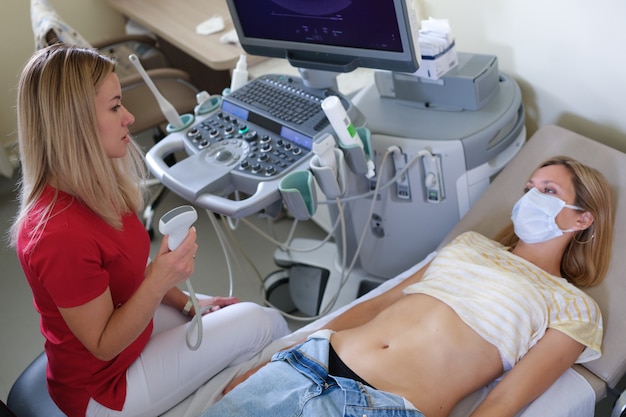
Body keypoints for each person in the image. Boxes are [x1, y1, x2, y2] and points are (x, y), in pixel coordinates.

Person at [199, 155, 614, 417]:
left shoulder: (573, 306)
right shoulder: (470, 245)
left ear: (583, 219)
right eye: (528, 188)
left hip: (383, 406)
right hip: (304, 366)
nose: (529, 198)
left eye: (548, 191)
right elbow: (386, 299)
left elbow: (506, 400)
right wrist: (278, 355)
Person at [9, 44, 289, 417]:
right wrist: (161, 278)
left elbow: (124, 272)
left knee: (257, 321)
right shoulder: (54, 234)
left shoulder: (93, 184)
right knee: (261, 323)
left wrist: (190, 303)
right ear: (73, 124)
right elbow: (104, 344)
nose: (128, 117)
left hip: (130, 328)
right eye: (114, 107)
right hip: (103, 389)